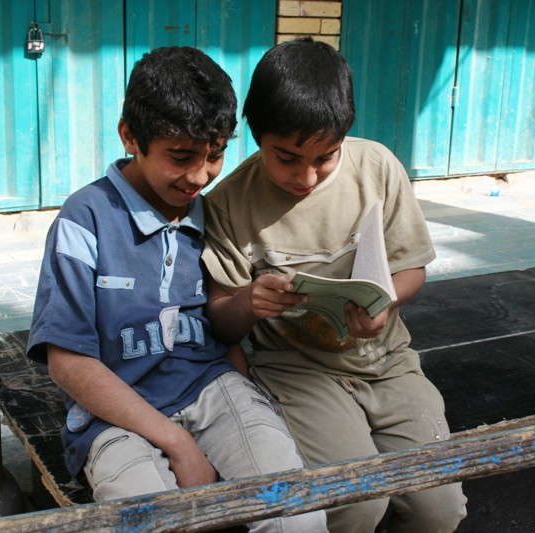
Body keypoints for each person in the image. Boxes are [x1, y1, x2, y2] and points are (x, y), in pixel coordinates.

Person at [26, 46, 327, 533]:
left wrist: (247, 399)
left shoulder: (206, 212)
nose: (199, 175)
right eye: (182, 157)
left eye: (216, 155)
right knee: (153, 522)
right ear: (130, 137)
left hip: (211, 389)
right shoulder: (85, 219)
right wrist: (178, 442)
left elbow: (219, 327)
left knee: (295, 513)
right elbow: (68, 361)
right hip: (113, 417)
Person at [202, 37, 467, 533]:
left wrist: (386, 301)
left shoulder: (377, 167)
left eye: (325, 157)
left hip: (388, 363)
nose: (306, 176)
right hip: (298, 372)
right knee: (355, 502)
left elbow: (411, 268)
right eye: (285, 158)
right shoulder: (228, 202)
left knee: (439, 509)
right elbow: (219, 316)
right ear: (255, 136)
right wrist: (248, 302)